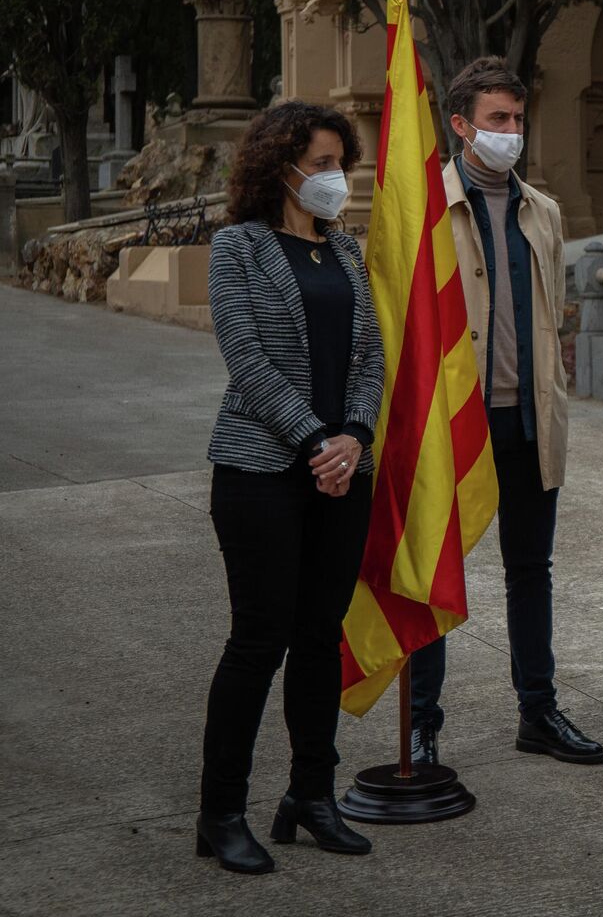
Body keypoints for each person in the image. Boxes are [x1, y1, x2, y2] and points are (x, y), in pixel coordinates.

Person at [197, 101, 382, 873]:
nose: (338, 178)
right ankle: (220, 813)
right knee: (257, 641)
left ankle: (311, 796)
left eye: (344, 162)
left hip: (343, 473)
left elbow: (371, 354)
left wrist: (355, 437)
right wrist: (315, 440)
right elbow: (247, 359)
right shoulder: (237, 247)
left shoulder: (346, 253)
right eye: (326, 163)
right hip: (262, 472)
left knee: (319, 638)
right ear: (283, 167)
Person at [405, 58, 603, 767]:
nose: (511, 132)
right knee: (436, 572)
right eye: (498, 119)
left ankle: (538, 710)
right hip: (457, 421)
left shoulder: (543, 212)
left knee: (530, 568)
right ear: (461, 125)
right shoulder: (428, 207)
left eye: (518, 119)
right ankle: (421, 725)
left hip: (528, 419)